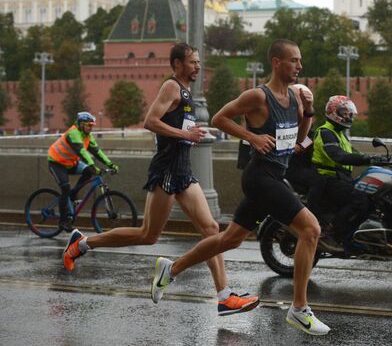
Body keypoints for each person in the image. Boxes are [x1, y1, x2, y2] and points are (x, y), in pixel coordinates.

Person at [62, 42, 259, 316]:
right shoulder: (171, 86)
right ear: (177, 64)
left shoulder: (186, 92)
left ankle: (224, 296)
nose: (198, 66)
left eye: (199, 62)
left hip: (183, 171)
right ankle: (82, 243)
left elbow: (174, 124)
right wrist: (185, 135)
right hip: (167, 170)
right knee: (148, 235)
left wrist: (191, 131)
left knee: (211, 229)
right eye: (192, 62)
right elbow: (150, 121)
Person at [149, 39, 330, 336]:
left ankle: (171, 269)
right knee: (311, 230)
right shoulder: (258, 96)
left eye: (300, 61)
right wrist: (251, 137)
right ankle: (299, 309)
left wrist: (308, 112)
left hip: (275, 174)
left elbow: (298, 140)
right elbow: (220, 118)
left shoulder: (296, 98)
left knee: (229, 239)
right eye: (294, 61)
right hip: (260, 177)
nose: (300, 66)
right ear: (276, 62)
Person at [311, 95, 386, 250]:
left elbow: (353, 153)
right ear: (333, 112)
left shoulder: (340, 134)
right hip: (327, 179)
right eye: (344, 113)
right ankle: (331, 232)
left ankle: (358, 234)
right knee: (359, 199)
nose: (348, 116)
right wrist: (367, 159)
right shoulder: (326, 132)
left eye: (349, 113)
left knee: (373, 195)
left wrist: (381, 158)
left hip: (342, 178)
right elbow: (339, 156)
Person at [48, 111, 118, 231]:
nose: (91, 128)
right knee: (65, 188)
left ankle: (73, 193)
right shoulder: (73, 133)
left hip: (71, 163)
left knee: (88, 172)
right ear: (81, 124)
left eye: (92, 126)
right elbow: (82, 151)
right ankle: (63, 221)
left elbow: (97, 151)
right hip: (56, 163)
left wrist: (110, 163)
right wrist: (92, 165)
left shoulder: (87, 136)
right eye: (89, 125)